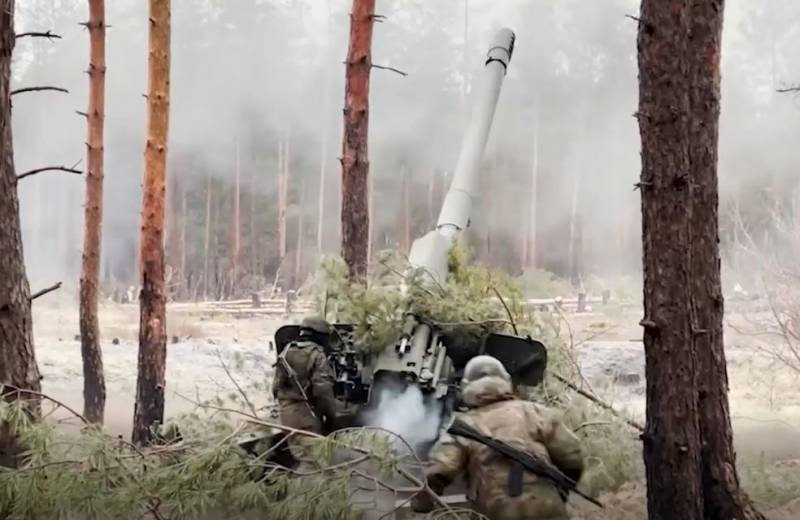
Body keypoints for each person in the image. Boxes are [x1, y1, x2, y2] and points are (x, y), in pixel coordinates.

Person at [411, 355, 585, 520]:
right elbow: (573, 458)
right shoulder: (537, 413)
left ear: (466, 386)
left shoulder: (465, 426)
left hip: (497, 512)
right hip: (548, 509)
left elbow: (440, 468)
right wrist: (563, 491)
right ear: (505, 380)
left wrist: (421, 502)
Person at [271, 316, 342, 468]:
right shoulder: (317, 355)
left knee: (301, 457)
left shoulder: (286, 351)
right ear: (320, 336)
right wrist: (330, 418)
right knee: (314, 465)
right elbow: (323, 392)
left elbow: (275, 387)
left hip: (287, 414)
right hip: (306, 416)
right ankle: (309, 489)